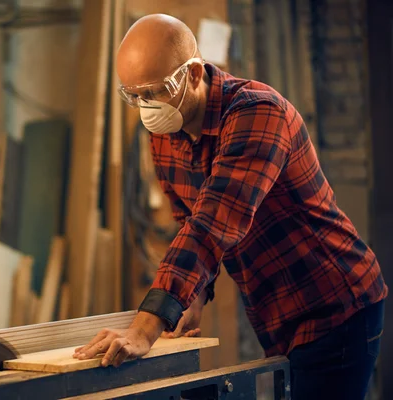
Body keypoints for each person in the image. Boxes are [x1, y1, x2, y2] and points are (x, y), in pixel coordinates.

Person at [72, 13, 387, 400]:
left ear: (191, 74)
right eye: (134, 96)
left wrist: (145, 328)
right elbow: (187, 218)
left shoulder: (258, 114)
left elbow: (213, 223)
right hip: (275, 311)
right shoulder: (164, 135)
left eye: (156, 91)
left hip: (334, 304)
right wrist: (193, 299)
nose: (146, 107)